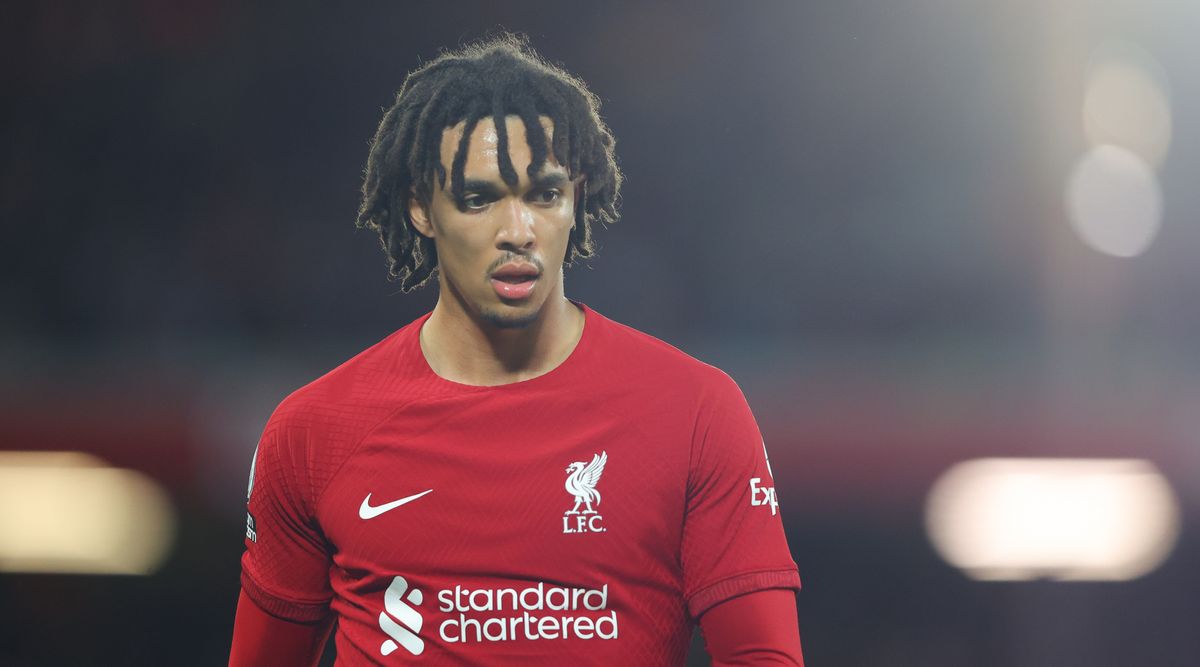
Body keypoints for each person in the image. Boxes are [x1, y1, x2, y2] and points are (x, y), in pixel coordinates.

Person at [229, 33, 803, 666]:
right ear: (421, 207)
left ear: (576, 195)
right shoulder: (314, 432)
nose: (518, 232)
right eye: (479, 199)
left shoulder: (697, 411)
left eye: (544, 195)